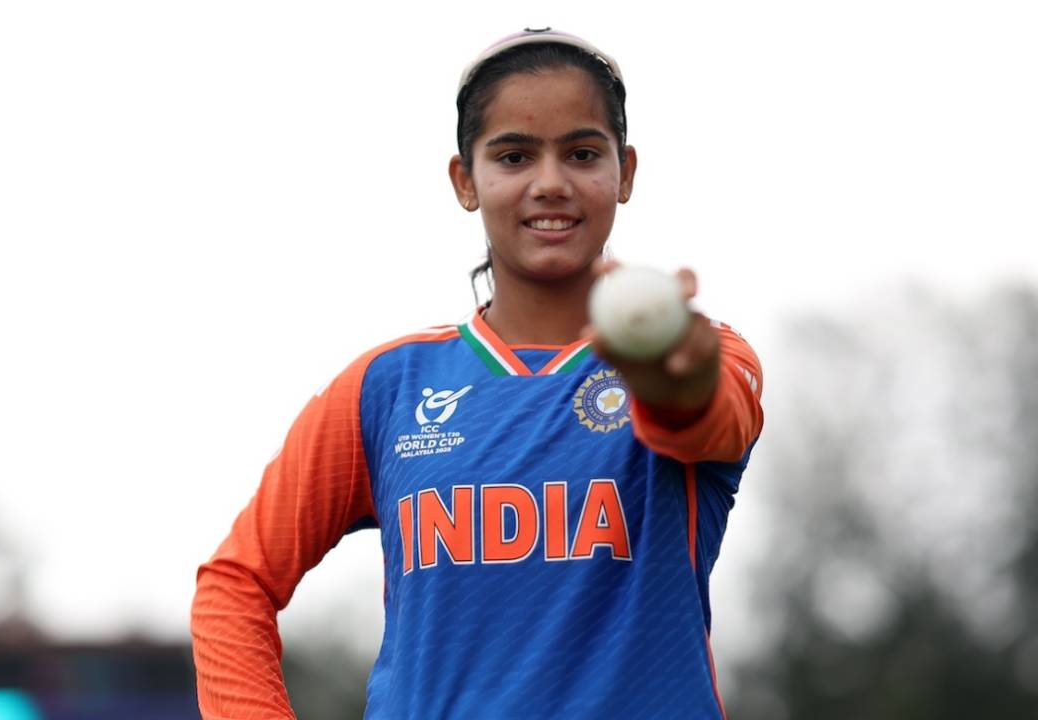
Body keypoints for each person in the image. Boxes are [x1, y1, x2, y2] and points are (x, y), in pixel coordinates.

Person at [191, 28, 765, 720]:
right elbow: (236, 583)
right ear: (466, 180)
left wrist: (669, 377)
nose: (550, 183)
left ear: (626, 171)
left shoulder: (705, 352)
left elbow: (701, 414)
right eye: (514, 155)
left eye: (583, 153)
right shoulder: (386, 388)